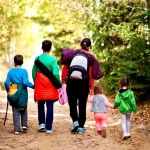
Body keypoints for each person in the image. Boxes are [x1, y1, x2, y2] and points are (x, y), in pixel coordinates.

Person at [61, 38, 104, 134]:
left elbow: (65, 68)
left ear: (81, 45)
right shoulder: (90, 57)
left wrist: (64, 80)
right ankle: (81, 127)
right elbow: (91, 74)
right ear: (89, 47)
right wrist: (91, 86)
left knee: (72, 102)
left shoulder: (73, 54)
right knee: (82, 104)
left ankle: (75, 121)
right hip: (84, 82)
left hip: (71, 80)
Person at [32, 40, 61, 134]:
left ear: (42, 48)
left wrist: (35, 82)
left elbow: (33, 72)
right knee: (50, 106)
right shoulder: (52, 60)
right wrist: (58, 83)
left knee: (40, 104)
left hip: (40, 83)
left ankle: (41, 124)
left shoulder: (37, 59)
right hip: (50, 85)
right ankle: (48, 128)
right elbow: (56, 73)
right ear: (50, 48)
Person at [4, 54, 34, 135]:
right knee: (23, 107)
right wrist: (34, 86)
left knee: (15, 109)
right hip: (23, 91)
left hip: (13, 89)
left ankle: (17, 129)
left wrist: (9, 90)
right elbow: (25, 82)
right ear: (22, 62)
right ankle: (24, 125)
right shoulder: (24, 71)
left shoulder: (11, 71)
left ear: (14, 62)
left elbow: (6, 83)